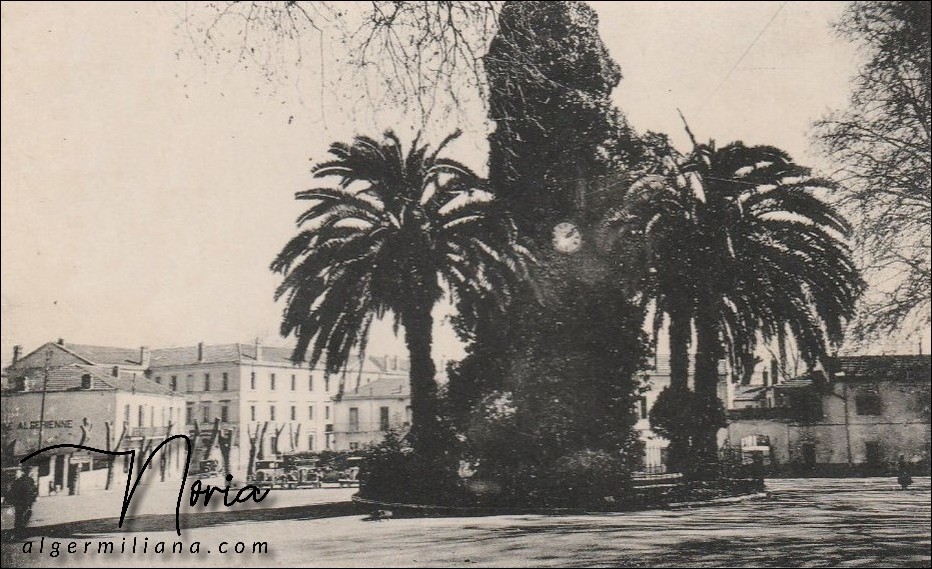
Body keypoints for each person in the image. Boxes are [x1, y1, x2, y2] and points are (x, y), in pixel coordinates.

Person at [9, 465, 38, 533]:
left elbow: (33, 489)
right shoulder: (21, 480)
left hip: (26, 500)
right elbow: (14, 490)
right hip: (21, 500)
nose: (28, 472)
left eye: (29, 471)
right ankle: (18, 529)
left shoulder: (29, 480)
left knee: (24, 514)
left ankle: (20, 528)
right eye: (27, 471)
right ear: (24, 472)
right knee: (20, 514)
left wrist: (33, 497)